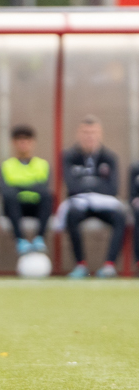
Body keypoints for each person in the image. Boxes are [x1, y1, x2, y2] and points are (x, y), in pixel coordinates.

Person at [61, 115, 123, 278]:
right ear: (78, 134)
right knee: (71, 215)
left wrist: (86, 184)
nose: (89, 136)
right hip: (79, 205)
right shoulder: (69, 156)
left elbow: (113, 188)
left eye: (93, 132)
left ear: (100, 134)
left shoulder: (110, 157)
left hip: (104, 205)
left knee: (121, 217)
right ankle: (80, 265)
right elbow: (71, 186)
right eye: (85, 132)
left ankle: (109, 265)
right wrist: (96, 184)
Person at [0, 125, 52, 256]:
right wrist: (31, 186)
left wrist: (18, 186)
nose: (23, 144)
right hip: (15, 206)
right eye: (19, 140)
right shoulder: (6, 166)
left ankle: (39, 238)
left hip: (35, 206)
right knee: (10, 196)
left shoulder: (43, 165)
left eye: (27, 140)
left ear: (33, 143)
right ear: (13, 143)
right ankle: (20, 240)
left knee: (47, 196)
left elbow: (43, 188)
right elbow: (5, 189)